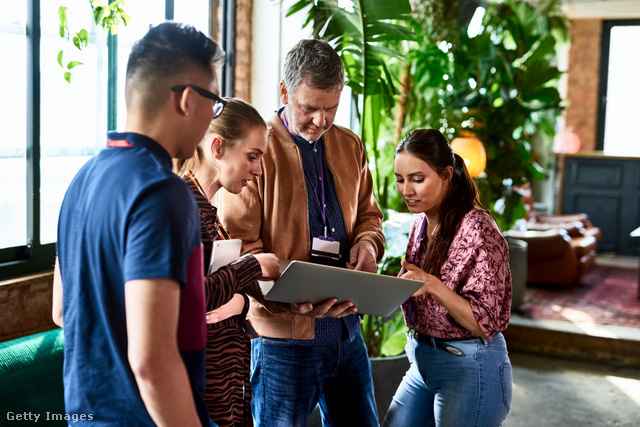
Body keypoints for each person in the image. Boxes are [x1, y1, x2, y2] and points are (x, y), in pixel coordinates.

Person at [52, 22, 225, 426]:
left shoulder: (81, 180)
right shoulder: (163, 193)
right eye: (213, 103)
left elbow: (62, 310)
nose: (212, 117)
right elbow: (152, 360)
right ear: (186, 100)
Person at [220, 39, 385, 426]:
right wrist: (284, 302)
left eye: (331, 108)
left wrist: (367, 245)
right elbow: (240, 245)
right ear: (284, 92)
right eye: (309, 108)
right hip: (283, 341)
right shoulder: (256, 150)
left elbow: (369, 216)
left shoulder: (350, 145)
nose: (321, 121)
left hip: (346, 331)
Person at [382, 129, 513, 427]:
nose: (406, 190)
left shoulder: (478, 228)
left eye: (417, 179)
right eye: (400, 179)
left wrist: (433, 285)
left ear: (446, 175)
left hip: (471, 366)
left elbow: (485, 322)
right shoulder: (420, 224)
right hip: (423, 361)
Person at [173, 98, 279, 426]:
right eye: (252, 157)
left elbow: (221, 299)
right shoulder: (181, 206)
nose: (258, 170)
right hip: (203, 397)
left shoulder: (209, 211)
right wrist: (253, 265)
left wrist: (240, 302)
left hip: (229, 393)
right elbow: (189, 300)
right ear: (217, 148)